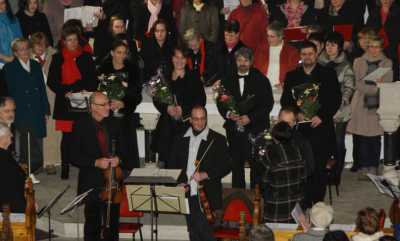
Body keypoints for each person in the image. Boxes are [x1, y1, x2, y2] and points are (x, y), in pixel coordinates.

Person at [281, 41, 341, 208]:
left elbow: (335, 99)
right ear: (300, 56)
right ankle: (304, 201)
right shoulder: (292, 76)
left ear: (316, 54)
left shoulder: (328, 74)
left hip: (321, 128)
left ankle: (317, 203)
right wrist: (296, 113)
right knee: (303, 166)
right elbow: (285, 100)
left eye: (310, 54)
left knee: (319, 167)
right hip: (301, 129)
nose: (307, 57)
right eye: (304, 54)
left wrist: (321, 116)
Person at [70, 92, 132, 241]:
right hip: (91, 182)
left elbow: (126, 150)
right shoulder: (80, 125)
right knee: (92, 226)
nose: (108, 108)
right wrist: (95, 162)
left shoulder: (114, 123)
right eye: (103, 105)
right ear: (92, 107)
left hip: (113, 182)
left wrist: (119, 158)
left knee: (112, 226)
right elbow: (73, 156)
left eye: (108, 104)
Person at [169, 105, 231, 241]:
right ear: (190, 120)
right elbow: (172, 165)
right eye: (196, 119)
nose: (200, 122)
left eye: (203, 118)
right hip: (187, 193)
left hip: (207, 196)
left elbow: (226, 166)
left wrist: (206, 174)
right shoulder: (180, 138)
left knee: (207, 236)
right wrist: (179, 182)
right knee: (193, 234)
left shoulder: (217, 139)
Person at [217, 47, 274, 189]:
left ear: (251, 62)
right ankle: (239, 196)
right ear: (235, 61)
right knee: (236, 164)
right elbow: (220, 102)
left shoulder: (261, 79)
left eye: (246, 60)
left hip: (255, 129)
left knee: (256, 165)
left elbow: (267, 104)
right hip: (234, 129)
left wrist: (250, 117)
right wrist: (229, 114)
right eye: (239, 60)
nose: (242, 63)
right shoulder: (226, 79)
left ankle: (256, 197)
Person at [47, 26, 97, 179]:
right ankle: (65, 166)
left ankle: (83, 165)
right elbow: (52, 81)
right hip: (65, 102)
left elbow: (92, 80)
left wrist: (81, 90)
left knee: (83, 135)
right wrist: (65, 91)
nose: (73, 43)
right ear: (64, 42)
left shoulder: (86, 57)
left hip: (82, 100)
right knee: (67, 137)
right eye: (69, 40)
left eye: (75, 39)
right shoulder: (57, 58)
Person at [151, 47, 206, 168]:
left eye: (183, 57)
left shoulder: (193, 77)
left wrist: (184, 109)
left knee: (184, 163)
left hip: (187, 125)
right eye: (177, 57)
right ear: (172, 58)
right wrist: (167, 108)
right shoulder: (165, 76)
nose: (179, 60)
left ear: (187, 60)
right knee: (166, 167)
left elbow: (201, 100)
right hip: (167, 127)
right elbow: (156, 99)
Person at [347, 36, 392, 179]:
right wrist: (375, 86)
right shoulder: (358, 61)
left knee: (375, 138)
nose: (374, 50)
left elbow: (387, 83)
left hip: (378, 105)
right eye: (371, 46)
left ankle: (373, 166)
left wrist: (375, 85)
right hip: (361, 104)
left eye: (377, 46)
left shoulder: (387, 62)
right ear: (367, 47)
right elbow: (357, 84)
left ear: (381, 48)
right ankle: (364, 166)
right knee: (362, 137)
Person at [2, 38, 50, 174]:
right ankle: (24, 170)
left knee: (37, 140)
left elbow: (41, 88)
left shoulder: (35, 65)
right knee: (22, 142)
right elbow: (7, 92)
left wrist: (46, 110)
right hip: (20, 110)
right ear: (15, 53)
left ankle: (34, 168)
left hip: (36, 108)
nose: (25, 51)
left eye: (27, 48)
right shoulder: (9, 68)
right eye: (21, 49)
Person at [97, 40, 142, 169]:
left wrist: (123, 103)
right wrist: (107, 103)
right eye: (118, 52)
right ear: (112, 53)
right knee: (107, 144)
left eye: (124, 53)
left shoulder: (133, 69)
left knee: (127, 148)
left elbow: (136, 95)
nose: (122, 56)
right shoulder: (103, 68)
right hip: (107, 113)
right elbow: (98, 91)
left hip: (126, 114)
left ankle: (127, 175)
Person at [318, 31, 355, 186]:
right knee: (323, 141)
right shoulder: (319, 62)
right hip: (321, 109)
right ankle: (324, 170)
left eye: (333, 45)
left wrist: (340, 102)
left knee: (338, 141)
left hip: (340, 110)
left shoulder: (345, 65)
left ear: (340, 47)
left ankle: (337, 172)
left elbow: (349, 87)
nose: (330, 48)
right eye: (327, 45)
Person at [259, 121, 307, 222]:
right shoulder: (299, 151)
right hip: (296, 207)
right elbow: (304, 178)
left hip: (276, 209)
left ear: (274, 137)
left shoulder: (270, 153)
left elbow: (264, 182)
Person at [30, 32, 60, 175]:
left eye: (43, 45)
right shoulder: (26, 56)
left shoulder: (54, 55)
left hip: (51, 96)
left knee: (52, 130)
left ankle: (50, 162)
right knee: (33, 131)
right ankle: (34, 162)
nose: (40, 48)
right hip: (33, 98)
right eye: (37, 45)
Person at [254, 21, 300, 89]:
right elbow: (255, 69)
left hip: (280, 89)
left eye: (272, 37)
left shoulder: (292, 52)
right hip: (262, 87)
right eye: (267, 36)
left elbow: (296, 73)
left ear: (281, 37)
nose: (268, 39)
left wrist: (285, 84)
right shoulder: (260, 49)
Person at [367, 0, 400, 81]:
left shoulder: (398, 12)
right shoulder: (374, 12)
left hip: (393, 52)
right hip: (376, 52)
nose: (386, 0)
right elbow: (368, 32)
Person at [0, 122, 26, 213]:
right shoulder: (3, 158)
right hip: (11, 211)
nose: (11, 134)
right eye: (9, 133)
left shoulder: (6, 153)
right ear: (2, 138)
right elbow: (10, 188)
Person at [0, 0, 22, 66]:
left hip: (16, 58)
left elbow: (20, 40)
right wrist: (3, 57)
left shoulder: (14, 19)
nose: (0, 6)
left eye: (2, 3)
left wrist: (16, 56)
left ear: (7, 4)